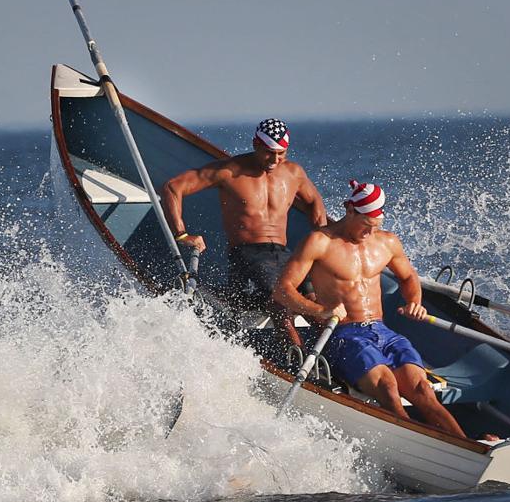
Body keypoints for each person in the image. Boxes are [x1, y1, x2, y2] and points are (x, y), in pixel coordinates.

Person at [273, 180, 476, 439]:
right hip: (344, 335)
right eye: (366, 225)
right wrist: (321, 310)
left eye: (376, 226)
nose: (370, 233)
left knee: (423, 390)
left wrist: (414, 301)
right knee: (388, 388)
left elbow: (408, 277)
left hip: (383, 332)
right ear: (349, 210)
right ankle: (413, 443)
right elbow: (282, 290)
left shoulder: (387, 242)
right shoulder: (320, 242)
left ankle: (464, 443)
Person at [160, 119, 328, 346]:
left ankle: (334, 361)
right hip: (249, 255)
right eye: (269, 153)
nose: (275, 160)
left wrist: (323, 240)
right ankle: (297, 359)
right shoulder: (229, 171)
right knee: (280, 301)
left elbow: (314, 201)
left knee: (315, 300)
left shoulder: (294, 173)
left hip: (283, 254)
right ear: (255, 144)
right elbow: (172, 187)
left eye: (281, 154)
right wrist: (181, 234)